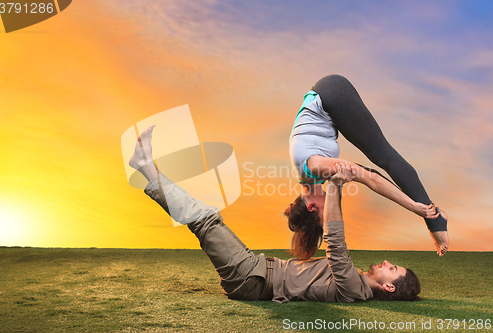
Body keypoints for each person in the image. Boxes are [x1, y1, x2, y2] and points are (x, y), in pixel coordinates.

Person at [129, 125, 421, 303]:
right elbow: (328, 230)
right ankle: (147, 168)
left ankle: (145, 167)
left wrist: (335, 184)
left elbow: (336, 243)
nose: (387, 262)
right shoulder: (355, 279)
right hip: (256, 270)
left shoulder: (355, 289)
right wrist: (335, 183)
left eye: (392, 269)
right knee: (208, 219)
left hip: (252, 279)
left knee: (205, 220)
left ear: (387, 287)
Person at [289, 74, 448, 257]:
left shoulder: (313, 167)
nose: (331, 212)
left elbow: (371, 178)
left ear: (312, 207)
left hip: (331, 94)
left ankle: (436, 222)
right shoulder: (314, 178)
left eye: (326, 216)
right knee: (381, 156)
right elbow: (369, 175)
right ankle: (436, 217)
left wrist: (414, 207)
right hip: (329, 97)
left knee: (383, 156)